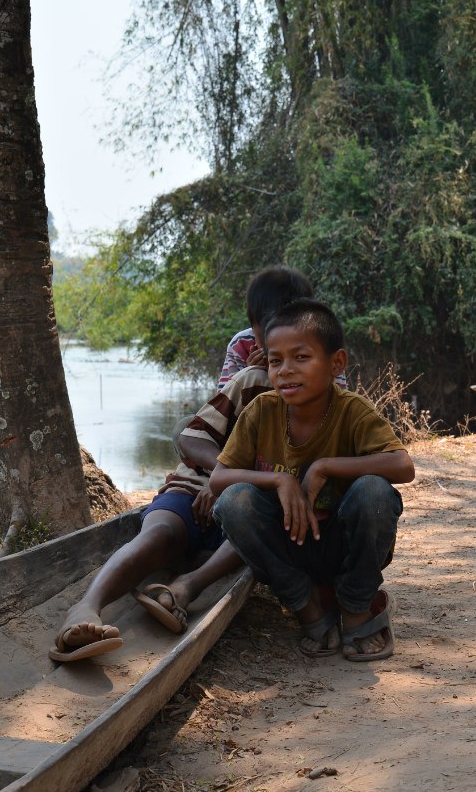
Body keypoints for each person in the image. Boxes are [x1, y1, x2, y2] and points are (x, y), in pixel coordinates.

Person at [50, 267, 316, 663]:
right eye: (270, 345)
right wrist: (219, 476)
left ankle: (185, 588)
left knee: (250, 531)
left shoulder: (322, 388)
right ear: (256, 335)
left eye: (299, 351)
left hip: (258, 497)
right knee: (157, 535)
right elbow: (195, 434)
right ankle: (86, 606)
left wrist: (236, 483)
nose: (283, 363)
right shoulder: (247, 378)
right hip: (203, 482)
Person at [210, 299, 415, 662]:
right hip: (289, 548)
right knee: (233, 501)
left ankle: (356, 607)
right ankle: (307, 608)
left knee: (375, 492)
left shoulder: (352, 410)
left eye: (301, 358)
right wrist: (278, 482)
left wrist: (323, 467)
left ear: (336, 363)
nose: (285, 371)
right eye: (276, 361)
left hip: (342, 546)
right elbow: (219, 479)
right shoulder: (262, 410)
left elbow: (402, 466)